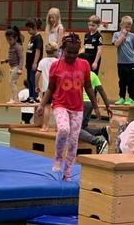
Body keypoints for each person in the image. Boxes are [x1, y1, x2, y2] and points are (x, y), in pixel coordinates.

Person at [37, 33, 96, 181]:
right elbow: (50, 88)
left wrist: (96, 106)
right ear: (63, 49)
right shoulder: (55, 65)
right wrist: (42, 104)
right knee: (64, 129)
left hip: (77, 108)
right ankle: (57, 157)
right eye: (69, 52)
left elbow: (88, 87)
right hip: (60, 104)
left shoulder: (84, 65)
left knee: (73, 141)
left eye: (75, 52)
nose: (72, 55)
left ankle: (67, 173)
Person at [80, 69, 112, 153]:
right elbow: (101, 90)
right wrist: (107, 105)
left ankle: (98, 142)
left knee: (75, 129)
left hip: (80, 103)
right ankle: (103, 131)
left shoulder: (77, 73)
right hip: (90, 103)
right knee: (83, 127)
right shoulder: (93, 74)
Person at [112, 15, 134, 104]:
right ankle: (122, 97)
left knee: (131, 82)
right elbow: (116, 44)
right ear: (121, 25)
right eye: (126, 27)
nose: (128, 29)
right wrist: (122, 35)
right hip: (121, 62)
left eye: (129, 27)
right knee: (122, 81)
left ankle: (131, 98)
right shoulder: (116, 34)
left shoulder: (132, 36)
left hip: (131, 62)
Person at [36, 43, 59, 130]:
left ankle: (45, 126)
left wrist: (36, 85)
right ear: (55, 51)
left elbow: (37, 74)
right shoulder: (57, 62)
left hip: (46, 88)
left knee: (47, 107)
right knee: (57, 108)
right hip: (57, 88)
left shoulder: (42, 61)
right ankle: (58, 126)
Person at [1, 28, 23, 103]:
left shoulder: (18, 46)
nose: (8, 41)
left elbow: (21, 58)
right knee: (13, 83)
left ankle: (15, 99)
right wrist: (5, 60)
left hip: (16, 67)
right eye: (7, 39)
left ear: (16, 38)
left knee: (11, 82)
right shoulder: (11, 46)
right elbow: (12, 57)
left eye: (10, 39)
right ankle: (13, 98)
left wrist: (20, 69)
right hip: (12, 67)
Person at [24, 19, 44, 102]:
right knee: (28, 80)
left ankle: (35, 96)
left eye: (29, 29)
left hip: (34, 63)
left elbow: (38, 50)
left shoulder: (38, 38)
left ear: (35, 28)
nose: (28, 31)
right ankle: (31, 96)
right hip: (29, 63)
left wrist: (35, 62)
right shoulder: (31, 38)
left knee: (33, 80)